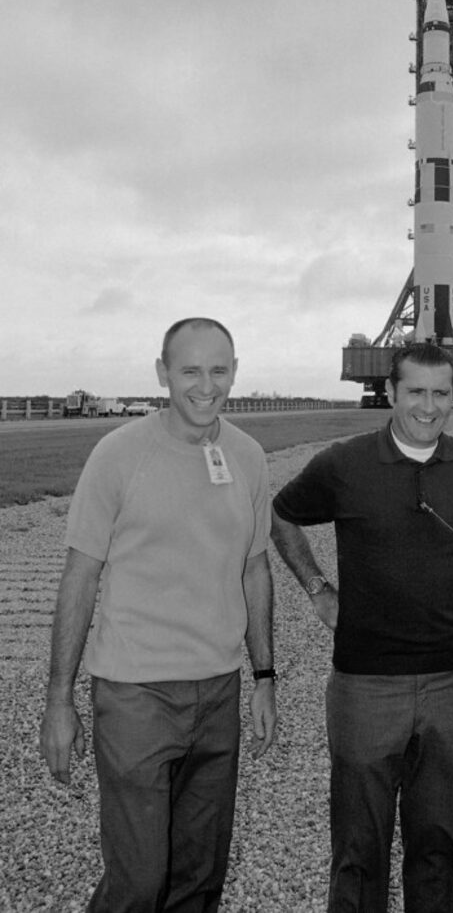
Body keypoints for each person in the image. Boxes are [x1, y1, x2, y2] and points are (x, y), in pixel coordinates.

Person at [39, 317, 277, 913]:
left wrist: (265, 678)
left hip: (218, 690)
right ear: (162, 373)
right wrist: (58, 701)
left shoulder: (246, 457)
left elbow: (254, 570)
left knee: (198, 878)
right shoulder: (119, 454)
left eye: (218, 370)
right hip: (135, 695)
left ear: (235, 373)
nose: (205, 385)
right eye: (190, 370)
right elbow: (81, 576)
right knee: (140, 883)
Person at [270, 340, 453, 913]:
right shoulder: (345, 463)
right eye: (415, 393)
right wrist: (317, 588)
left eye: (440, 393)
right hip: (364, 686)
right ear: (390, 393)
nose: (428, 407)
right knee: (359, 848)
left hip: (448, 682)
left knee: (438, 845)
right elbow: (281, 516)